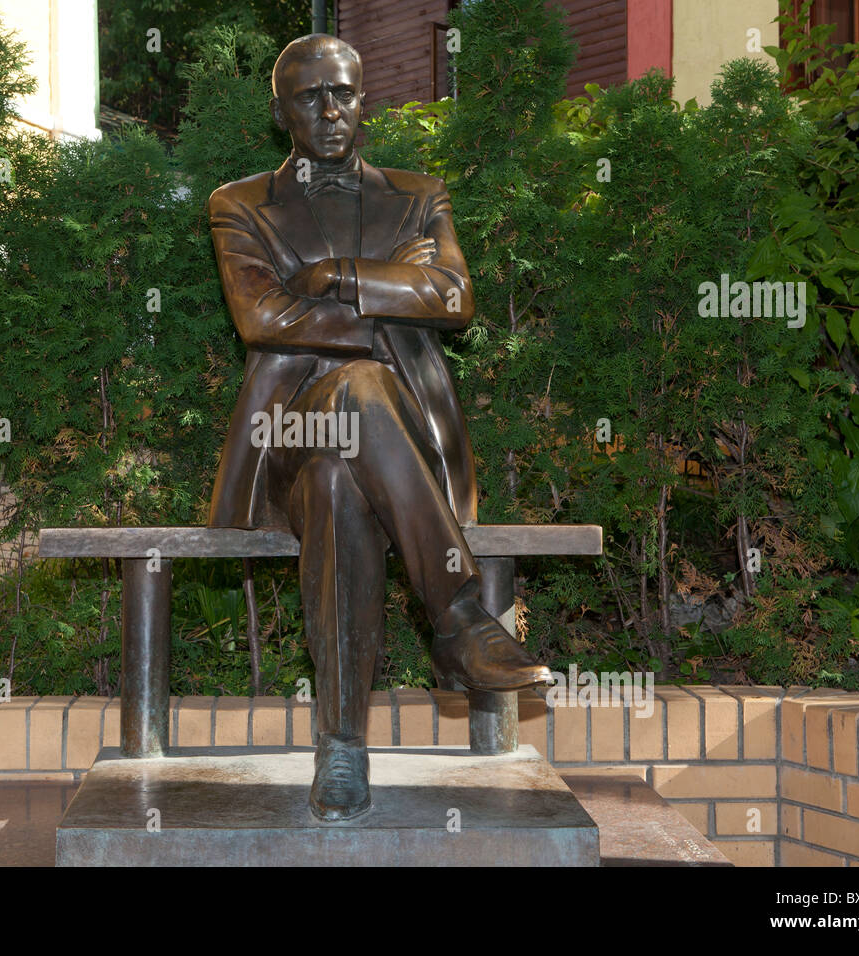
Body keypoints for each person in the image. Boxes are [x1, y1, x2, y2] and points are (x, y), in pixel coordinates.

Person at [206, 34, 550, 821]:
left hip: (403, 441)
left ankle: (341, 752)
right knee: (347, 414)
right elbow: (261, 316)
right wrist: (393, 297)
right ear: (279, 111)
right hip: (288, 439)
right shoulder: (240, 203)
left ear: (366, 99)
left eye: (345, 93)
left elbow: (455, 298)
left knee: (343, 475)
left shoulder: (418, 193)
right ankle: (459, 616)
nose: (330, 110)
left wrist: (336, 278)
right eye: (309, 96)